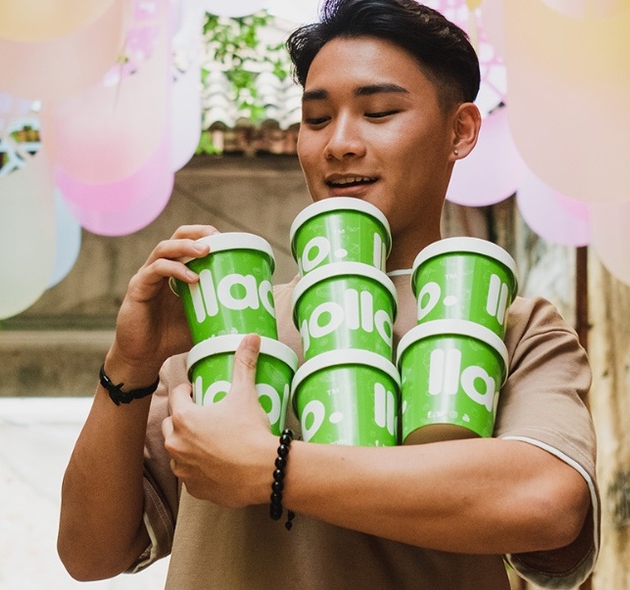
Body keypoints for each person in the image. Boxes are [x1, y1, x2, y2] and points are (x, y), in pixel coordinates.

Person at [57, 0, 600, 587]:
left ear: (461, 131)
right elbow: (90, 553)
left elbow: (546, 500)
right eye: (316, 120)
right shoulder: (231, 329)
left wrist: (271, 467)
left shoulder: (517, 326)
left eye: (380, 111)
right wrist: (131, 363)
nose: (339, 143)